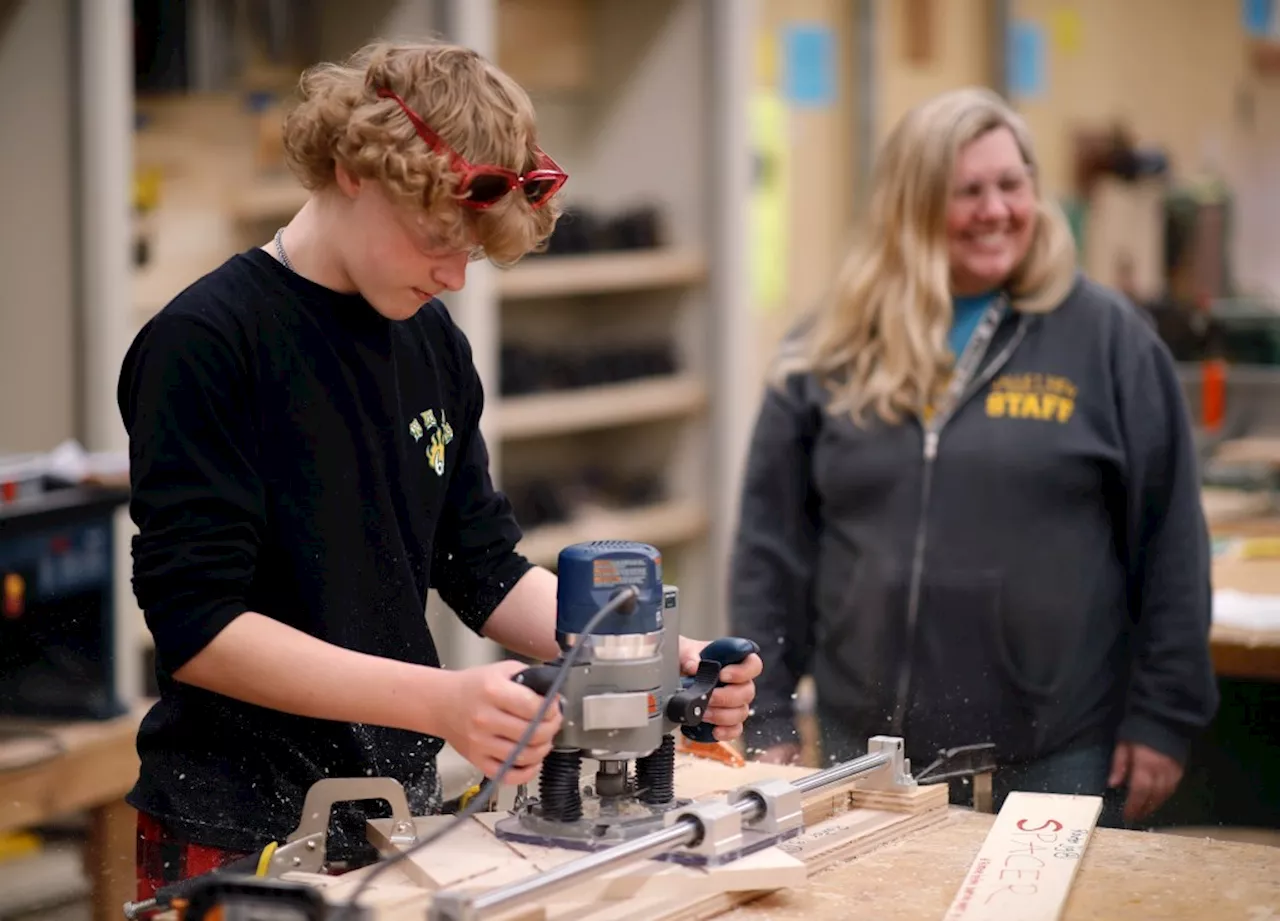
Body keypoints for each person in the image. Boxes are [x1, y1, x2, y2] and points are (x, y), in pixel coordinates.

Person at [119, 39, 761, 900]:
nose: (456, 274)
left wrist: (657, 656)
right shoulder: (209, 343)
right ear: (354, 169)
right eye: (436, 239)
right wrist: (440, 701)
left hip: (395, 813)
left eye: (474, 252)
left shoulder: (432, 344)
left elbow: (481, 568)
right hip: (238, 825)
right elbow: (199, 628)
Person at [729, 86, 1216, 828]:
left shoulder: (1108, 340)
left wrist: (1163, 715)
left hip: (1058, 751)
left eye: (1012, 184)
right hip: (863, 754)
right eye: (967, 192)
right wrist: (764, 715)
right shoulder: (826, 351)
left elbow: (1172, 537)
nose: (996, 210)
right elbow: (771, 549)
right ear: (911, 206)